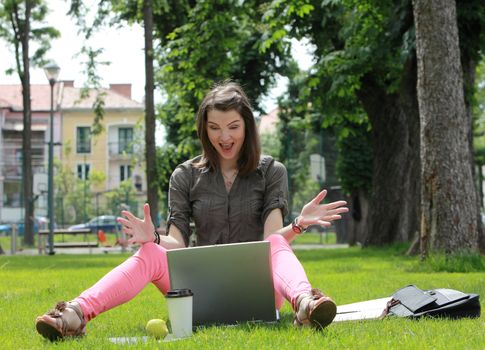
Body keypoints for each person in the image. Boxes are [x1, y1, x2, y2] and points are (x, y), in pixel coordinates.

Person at [35, 81, 348, 341]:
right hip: (197, 296)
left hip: (259, 292)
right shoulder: (184, 175)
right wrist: (154, 239)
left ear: (247, 126)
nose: (224, 137)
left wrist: (297, 224)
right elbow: (176, 245)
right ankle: (74, 315)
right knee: (148, 253)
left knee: (279, 243)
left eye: (233, 127)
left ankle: (306, 304)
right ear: (204, 129)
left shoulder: (271, 171)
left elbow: (271, 242)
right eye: (214, 128)